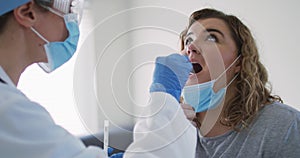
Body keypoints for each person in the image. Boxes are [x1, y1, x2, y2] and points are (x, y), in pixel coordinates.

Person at [0, 0, 197, 157]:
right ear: (28, 12)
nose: (72, 21)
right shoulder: (9, 112)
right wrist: (165, 98)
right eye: (69, 8)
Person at [179, 8, 300, 157]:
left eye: (211, 38)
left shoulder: (284, 126)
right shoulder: (173, 128)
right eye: (188, 40)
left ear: (239, 63)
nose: (190, 48)